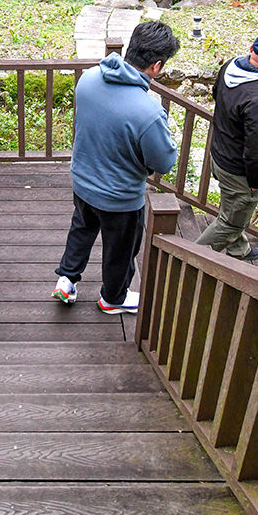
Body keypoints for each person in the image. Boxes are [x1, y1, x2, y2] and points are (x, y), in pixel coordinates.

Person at [52, 21, 180, 313]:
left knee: (82, 229)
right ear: (156, 66)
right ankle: (113, 299)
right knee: (120, 251)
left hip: (83, 181)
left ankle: (66, 281)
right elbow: (164, 162)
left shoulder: (89, 78)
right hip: (120, 197)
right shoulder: (147, 111)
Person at [196, 28, 258, 262]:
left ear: (252, 50)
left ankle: (239, 249)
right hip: (238, 170)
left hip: (219, 154)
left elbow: (217, 94)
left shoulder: (231, 66)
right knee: (231, 220)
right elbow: (256, 151)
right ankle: (183, 259)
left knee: (232, 208)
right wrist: (256, 184)